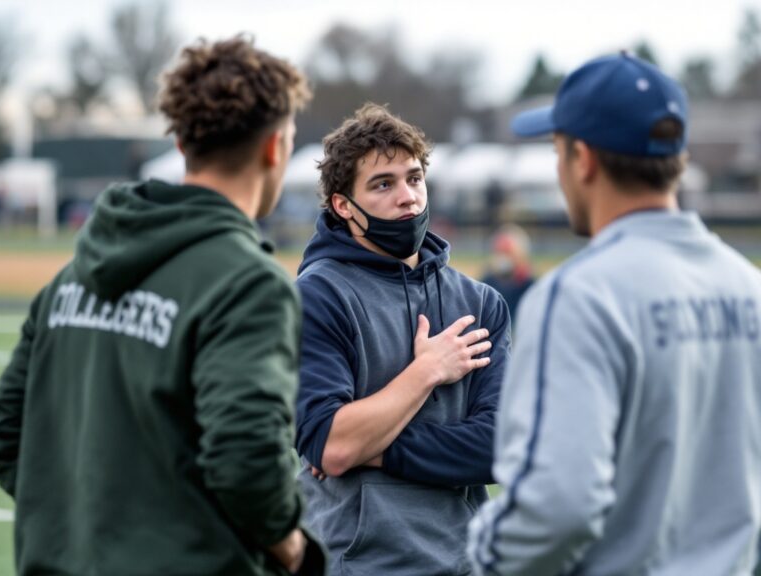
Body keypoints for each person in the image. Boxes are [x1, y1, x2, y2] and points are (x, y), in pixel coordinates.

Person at [0, 36, 326, 576]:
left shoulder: (73, 272)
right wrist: (292, 548)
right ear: (274, 148)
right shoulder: (248, 281)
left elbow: (8, 430)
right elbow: (246, 460)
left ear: (181, 143)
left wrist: (82, 524)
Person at [468, 52, 761, 576]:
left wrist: (485, 559)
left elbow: (557, 506)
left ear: (583, 159)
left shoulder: (579, 296)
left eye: (557, 151)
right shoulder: (748, 286)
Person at [294, 103, 511, 575]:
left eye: (414, 178)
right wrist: (427, 371)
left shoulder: (482, 303)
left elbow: (499, 447)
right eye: (383, 184)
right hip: (355, 563)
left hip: (463, 560)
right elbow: (332, 445)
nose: (408, 197)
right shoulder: (318, 295)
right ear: (343, 206)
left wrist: (375, 451)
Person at [479, 223, 536, 319]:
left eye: (507, 252)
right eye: (498, 252)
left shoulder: (531, 287)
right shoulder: (485, 286)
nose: (502, 257)